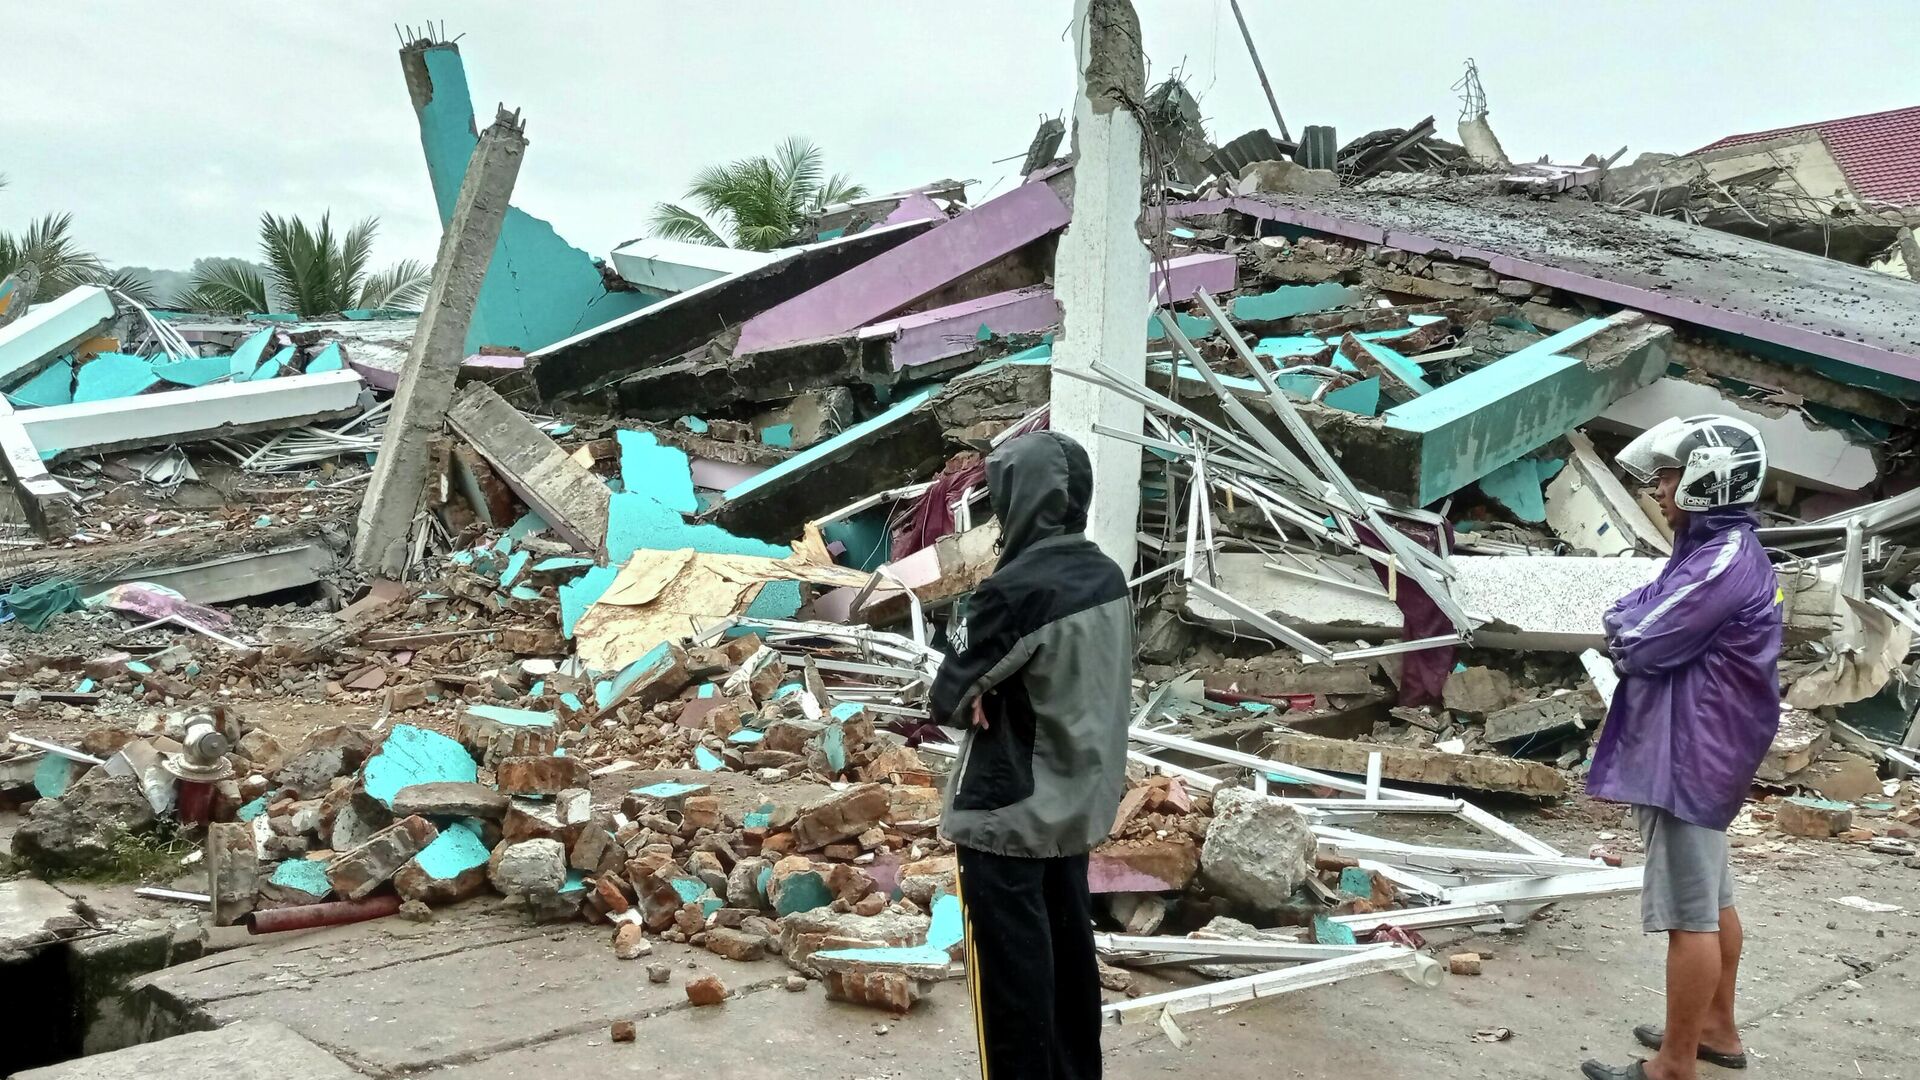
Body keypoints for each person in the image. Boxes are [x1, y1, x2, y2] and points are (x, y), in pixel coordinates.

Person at [1581, 416, 1781, 1080]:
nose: (1660, 489)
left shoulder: (1720, 559)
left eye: (1668, 476)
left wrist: (1626, 628)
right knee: (1716, 900)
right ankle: (1715, 1030)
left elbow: (1638, 638)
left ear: (1706, 480)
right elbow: (1633, 609)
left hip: (1691, 752)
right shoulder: (1710, 549)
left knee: (1688, 916)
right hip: (1707, 744)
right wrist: (1626, 622)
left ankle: (1673, 1065)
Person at [929, 431, 1133, 1080]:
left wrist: (982, 688)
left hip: (1006, 814)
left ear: (1023, 501)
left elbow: (948, 693)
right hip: (1075, 805)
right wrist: (990, 683)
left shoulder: (1014, 592)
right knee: (1070, 979)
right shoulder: (1105, 575)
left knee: (1012, 997)